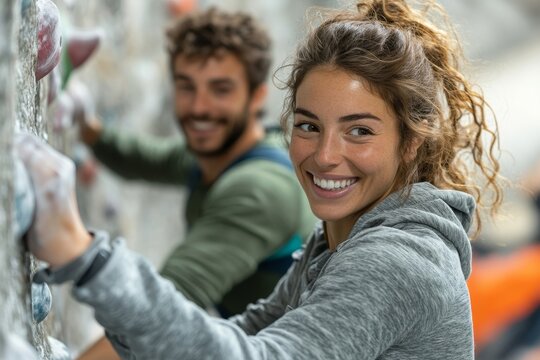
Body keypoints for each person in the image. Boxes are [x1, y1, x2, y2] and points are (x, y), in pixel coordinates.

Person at [17, 0, 503, 358]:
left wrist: (85, 258)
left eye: (359, 131)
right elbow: (246, 332)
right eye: (310, 126)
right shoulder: (333, 244)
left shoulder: (396, 262)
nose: (326, 155)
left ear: (411, 142)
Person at [73, 7, 315, 359]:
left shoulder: (258, 189)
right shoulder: (219, 154)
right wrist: (87, 128)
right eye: (187, 87)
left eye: (221, 90)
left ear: (257, 96)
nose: (200, 107)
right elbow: (144, 158)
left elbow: (158, 310)